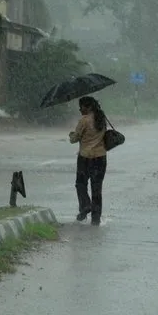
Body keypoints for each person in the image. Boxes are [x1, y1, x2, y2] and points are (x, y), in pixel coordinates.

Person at [69, 96, 108, 226]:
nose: (80, 109)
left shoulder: (84, 121)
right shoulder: (101, 119)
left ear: (88, 107)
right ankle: (96, 219)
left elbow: (74, 139)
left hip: (85, 158)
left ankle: (85, 205)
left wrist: (71, 135)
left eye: (82, 107)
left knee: (81, 184)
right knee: (97, 189)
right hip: (100, 158)